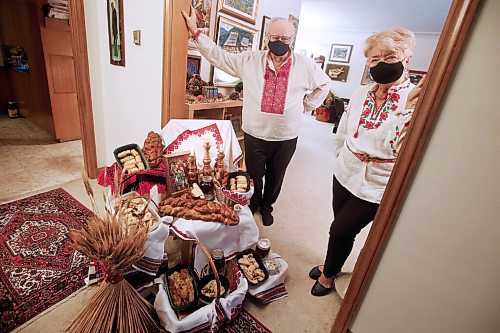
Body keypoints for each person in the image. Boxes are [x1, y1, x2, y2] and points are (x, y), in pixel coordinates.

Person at [182, 7, 331, 226]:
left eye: (284, 38)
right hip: (255, 131)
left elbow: (325, 83)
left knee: (276, 176)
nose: (279, 41)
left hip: (286, 135)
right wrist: (196, 33)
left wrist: (306, 105)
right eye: (275, 37)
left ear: (292, 39)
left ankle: (267, 206)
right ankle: (253, 204)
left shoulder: (306, 65)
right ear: (267, 37)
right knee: (253, 174)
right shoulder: (250, 60)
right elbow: (220, 57)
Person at [309, 28, 426, 296]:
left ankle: (327, 276)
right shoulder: (361, 93)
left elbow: (396, 145)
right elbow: (344, 129)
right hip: (345, 169)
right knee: (341, 226)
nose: (381, 64)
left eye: (390, 56)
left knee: (339, 230)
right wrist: (341, 156)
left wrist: (407, 110)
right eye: (374, 59)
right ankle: (332, 263)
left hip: (378, 181)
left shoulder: (417, 99)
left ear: (406, 59)